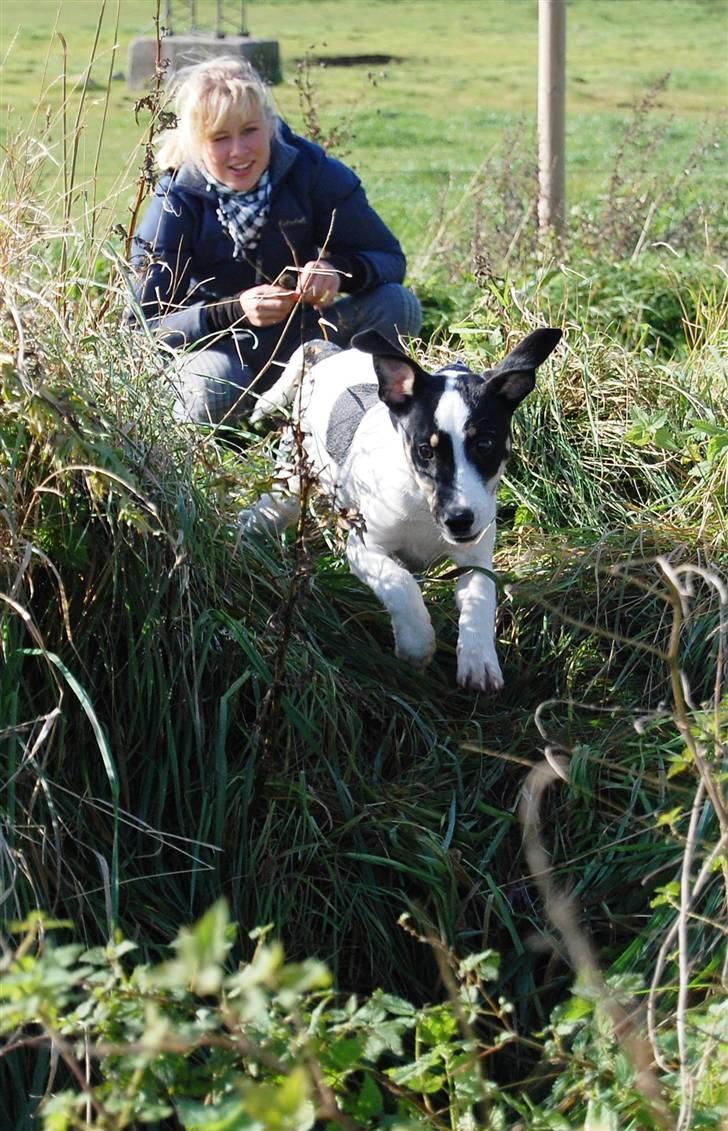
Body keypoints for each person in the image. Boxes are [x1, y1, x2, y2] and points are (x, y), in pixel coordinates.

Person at [129, 55, 422, 425]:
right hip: (222, 352)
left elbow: (389, 258)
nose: (239, 151)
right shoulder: (174, 199)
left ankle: (308, 402)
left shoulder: (311, 170)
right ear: (196, 143)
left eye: (249, 130)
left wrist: (337, 273)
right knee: (209, 391)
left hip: (307, 340)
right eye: (220, 138)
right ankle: (264, 421)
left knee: (401, 306)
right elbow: (141, 328)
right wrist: (234, 310)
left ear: (269, 125)